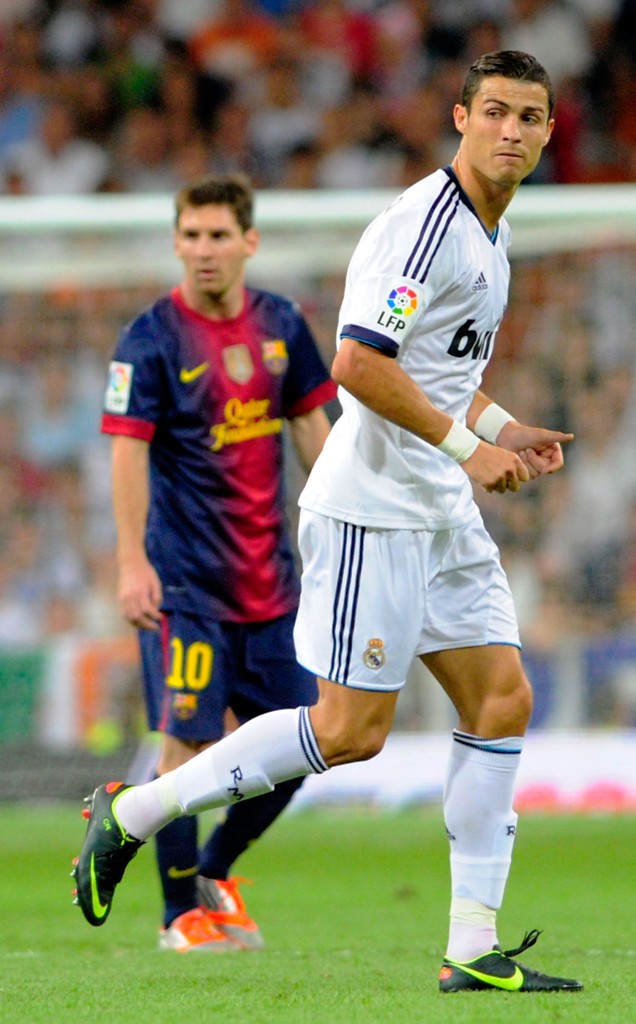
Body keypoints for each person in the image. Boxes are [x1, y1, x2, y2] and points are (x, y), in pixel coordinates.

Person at [74, 52, 583, 992]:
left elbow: (439, 371)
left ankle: (471, 946)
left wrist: (503, 428)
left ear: (551, 130)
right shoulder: (425, 227)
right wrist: (471, 453)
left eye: (531, 116)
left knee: (503, 699)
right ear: (461, 117)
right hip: (376, 509)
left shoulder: (490, 233)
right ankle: (135, 813)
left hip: (438, 510)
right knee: (350, 733)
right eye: (497, 112)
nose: (513, 130)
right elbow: (355, 364)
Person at [93, 173, 336, 952]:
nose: (203, 250)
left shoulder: (282, 324)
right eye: (190, 235)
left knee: (310, 740)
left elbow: (311, 431)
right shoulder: (151, 339)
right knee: (185, 747)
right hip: (186, 586)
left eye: (218, 235)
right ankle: (178, 919)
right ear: (176, 242)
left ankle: (213, 868)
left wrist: (343, 531)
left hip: (273, 584)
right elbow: (126, 456)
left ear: (248, 242)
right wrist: (132, 562)